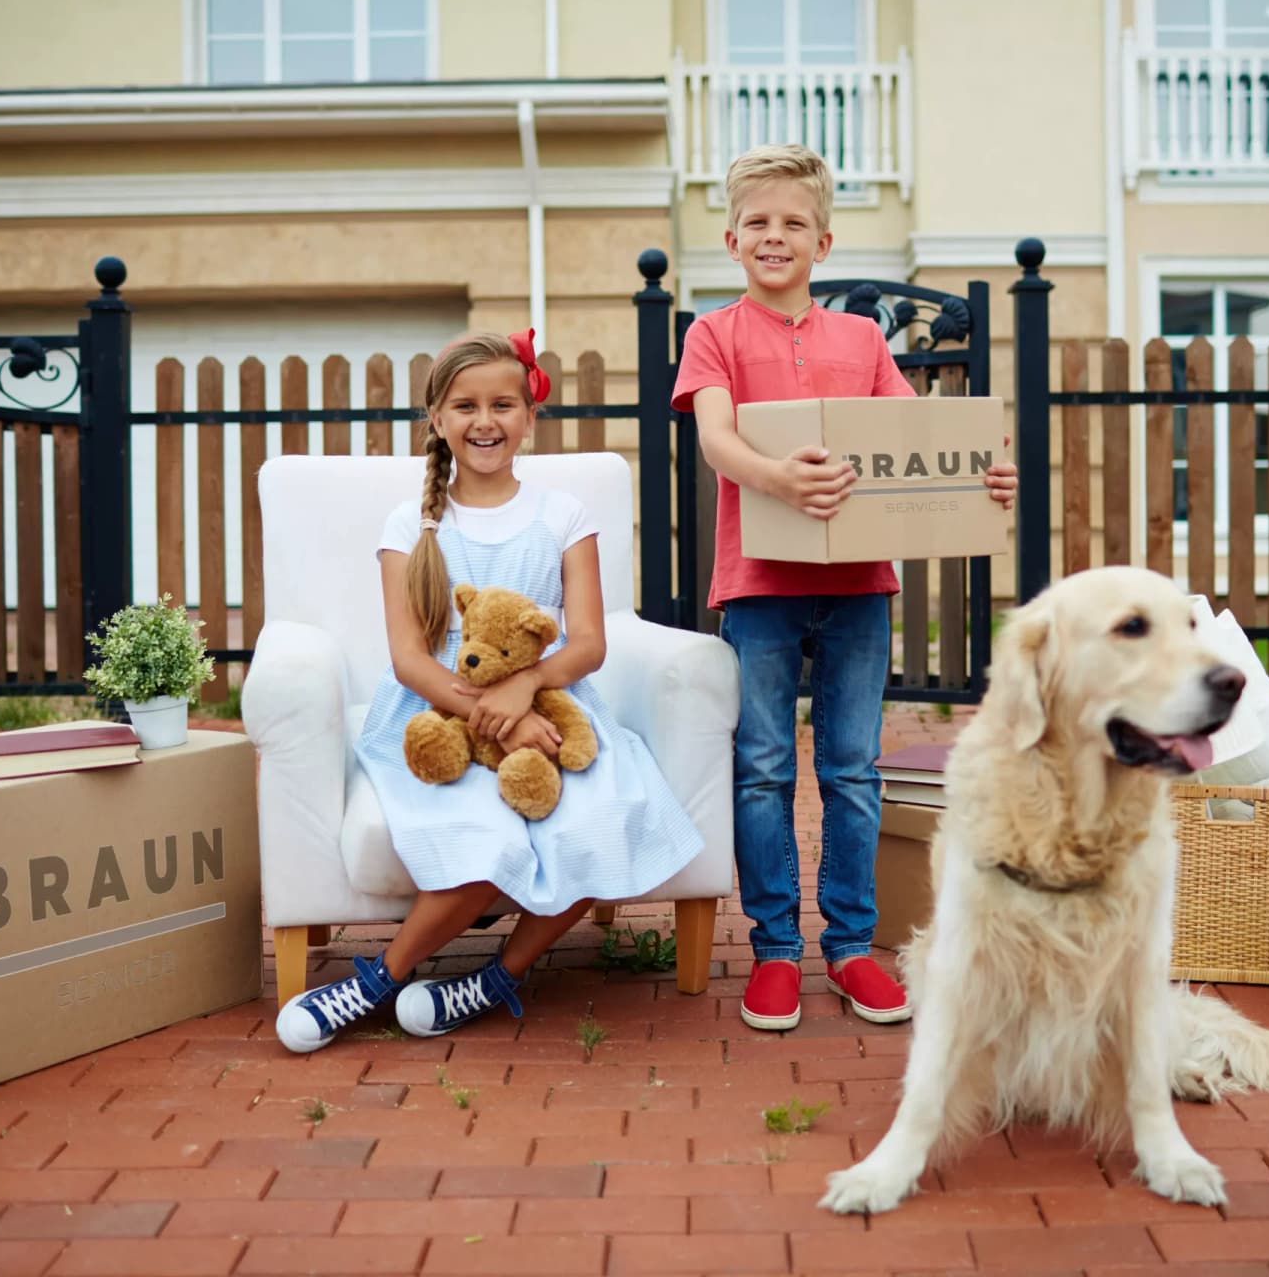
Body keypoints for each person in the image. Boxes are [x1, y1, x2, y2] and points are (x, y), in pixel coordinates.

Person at [275, 329, 704, 1052]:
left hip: (549, 708)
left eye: (503, 404)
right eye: (465, 405)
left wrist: (529, 687)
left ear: (529, 416)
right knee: (489, 837)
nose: (485, 421)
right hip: (437, 713)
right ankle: (378, 981)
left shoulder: (562, 515)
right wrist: (495, 716)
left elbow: (590, 642)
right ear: (438, 419)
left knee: (605, 816)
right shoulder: (409, 524)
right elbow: (410, 659)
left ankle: (498, 975)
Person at [671, 144, 1018, 1032]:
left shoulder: (863, 339)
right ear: (732, 238)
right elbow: (717, 440)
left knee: (853, 770)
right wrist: (779, 481)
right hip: (758, 586)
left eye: (793, 223)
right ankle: (776, 951)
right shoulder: (712, 334)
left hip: (861, 583)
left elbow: (911, 441)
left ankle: (853, 948)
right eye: (758, 223)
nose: (774, 236)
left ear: (823, 244)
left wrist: (980, 478)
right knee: (761, 768)